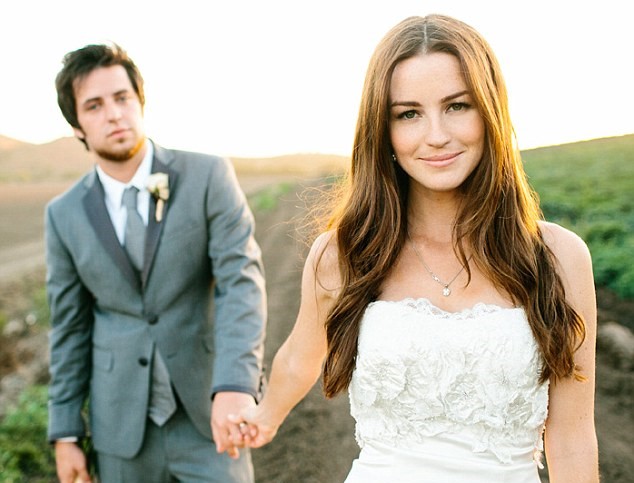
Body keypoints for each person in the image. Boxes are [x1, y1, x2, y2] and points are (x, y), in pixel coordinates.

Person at [229, 14, 599, 482]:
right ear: (382, 131)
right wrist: (260, 419)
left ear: (490, 110)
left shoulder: (559, 257)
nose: (436, 135)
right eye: (409, 114)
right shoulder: (345, 254)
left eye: (457, 106)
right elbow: (301, 356)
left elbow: (572, 435)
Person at [45, 43, 267, 483]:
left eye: (122, 97)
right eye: (94, 105)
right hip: (121, 429)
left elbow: (240, 283)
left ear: (139, 101)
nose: (114, 114)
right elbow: (69, 328)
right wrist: (65, 433)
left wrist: (235, 385)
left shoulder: (208, 176)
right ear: (77, 127)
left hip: (209, 413)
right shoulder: (63, 214)